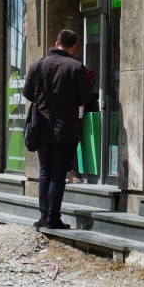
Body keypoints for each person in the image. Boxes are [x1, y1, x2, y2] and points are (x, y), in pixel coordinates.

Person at [23, 29, 92, 229]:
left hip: (41, 128)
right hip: (65, 129)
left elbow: (28, 93)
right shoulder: (76, 67)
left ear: (56, 42)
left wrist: (44, 102)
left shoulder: (38, 64)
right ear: (74, 47)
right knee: (59, 173)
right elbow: (85, 98)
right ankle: (53, 217)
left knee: (45, 170)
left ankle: (44, 216)